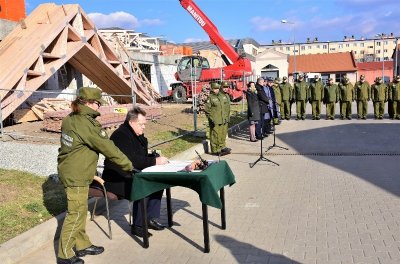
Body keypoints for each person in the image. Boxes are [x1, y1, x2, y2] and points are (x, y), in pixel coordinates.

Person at [57, 87, 133, 264]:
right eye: (98, 104)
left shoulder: (71, 118)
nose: (99, 107)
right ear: (90, 103)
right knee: (75, 213)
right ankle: (64, 254)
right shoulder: (85, 123)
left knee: (80, 212)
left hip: (75, 171)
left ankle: (82, 245)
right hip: (76, 175)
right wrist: (128, 165)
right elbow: (107, 147)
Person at [102, 107, 169, 238]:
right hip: (116, 178)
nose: (144, 127)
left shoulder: (135, 134)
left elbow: (140, 157)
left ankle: (151, 218)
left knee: (157, 181)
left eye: (144, 124)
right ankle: (138, 225)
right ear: (131, 122)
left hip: (130, 173)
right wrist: (155, 161)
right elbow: (132, 161)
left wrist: (153, 158)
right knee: (143, 185)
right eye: (141, 124)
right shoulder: (121, 135)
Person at [204, 81, 230, 155]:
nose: (216, 90)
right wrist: (211, 119)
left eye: (217, 88)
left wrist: (226, 117)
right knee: (215, 135)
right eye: (215, 89)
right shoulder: (210, 98)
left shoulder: (221, 96)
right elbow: (207, 110)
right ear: (212, 89)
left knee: (222, 134)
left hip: (223, 119)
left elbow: (225, 108)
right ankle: (215, 150)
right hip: (215, 120)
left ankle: (222, 147)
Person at [220, 81, 232, 153]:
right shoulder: (220, 95)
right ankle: (220, 147)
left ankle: (223, 146)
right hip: (221, 118)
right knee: (220, 133)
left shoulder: (226, 95)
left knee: (224, 133)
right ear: (221, 87)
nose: (225, 89)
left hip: (226, 117)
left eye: (227, 87)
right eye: (224, 87)